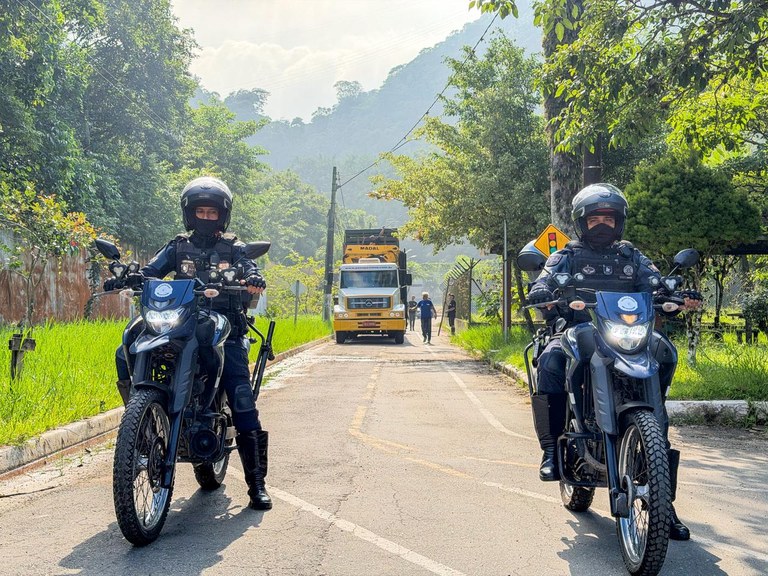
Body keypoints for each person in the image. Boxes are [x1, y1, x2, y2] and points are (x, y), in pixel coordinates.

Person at [526, 183, 701, 541]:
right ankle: (551, 450)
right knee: (551, 360)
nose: (602, 225)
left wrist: (676, 295)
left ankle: (663, 504)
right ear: (582, 222)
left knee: (665, 351)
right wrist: (543, 292)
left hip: (627, 333)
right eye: (595, 219)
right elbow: (544, 281)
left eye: (609, 218)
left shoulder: (631, 256)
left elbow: (656, 283)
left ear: (619, 222)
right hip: (580, 329)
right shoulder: (566, 255)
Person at [105, 176, 272, 511]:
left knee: (240, 396)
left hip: (224, 326)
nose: (206, 217)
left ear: (223, 216)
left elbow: (248, 266)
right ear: (189, 214)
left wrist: (253, 277)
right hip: (180, 320)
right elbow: (153, 270)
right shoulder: (178, 246)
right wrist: (134, 276)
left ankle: (256, 484)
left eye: (212, 212)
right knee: (127, 346)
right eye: (200, 211)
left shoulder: (234, 248)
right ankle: (139, 421)